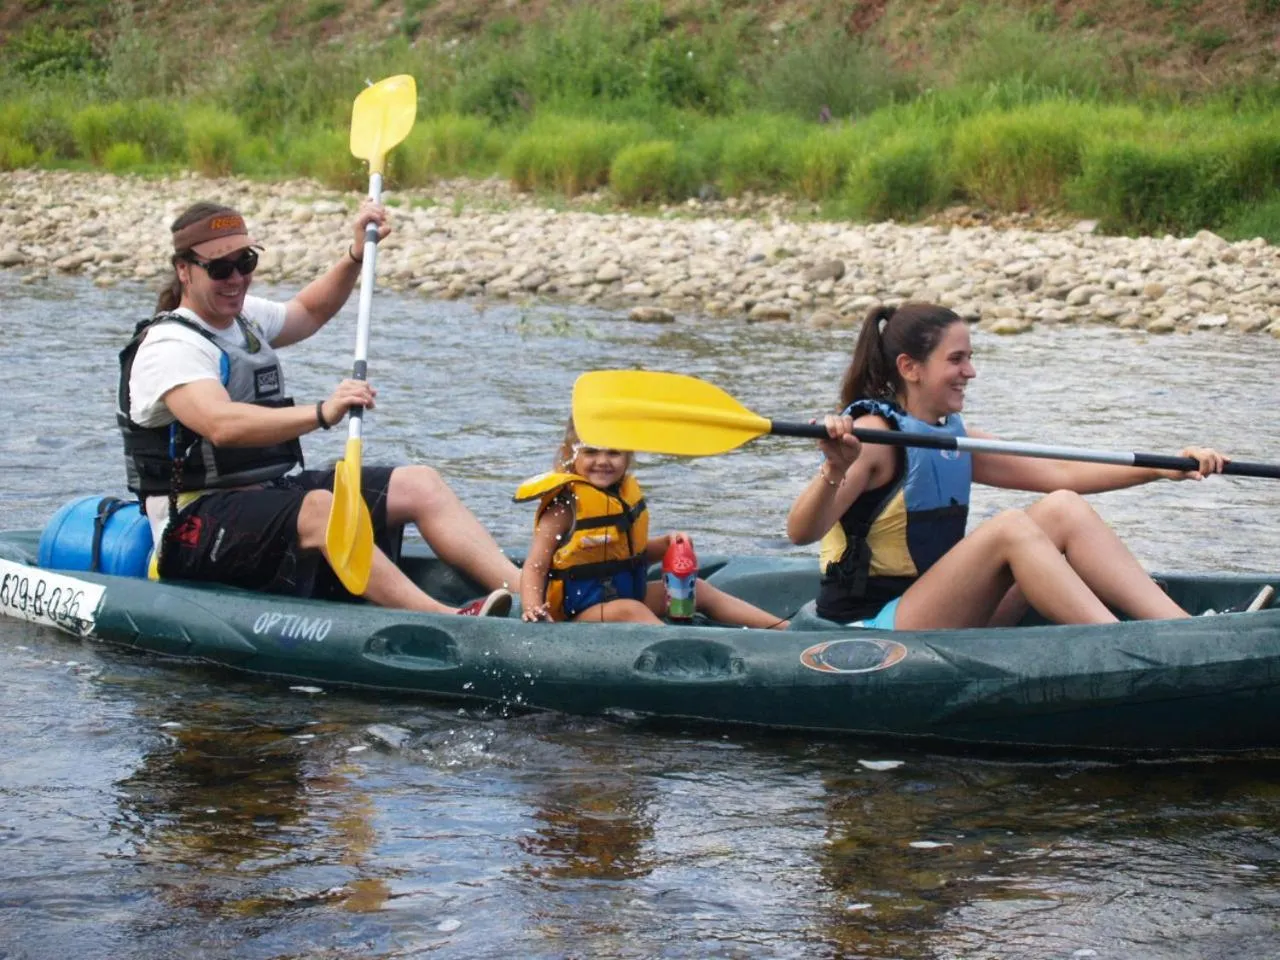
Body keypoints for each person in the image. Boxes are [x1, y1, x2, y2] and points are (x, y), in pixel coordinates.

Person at [117, 199, 518, 616]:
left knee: (419, 483)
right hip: (193, 525)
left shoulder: (244, 318)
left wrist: (355, 256)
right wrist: (322, 412)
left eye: (246, 261)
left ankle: (533, 594)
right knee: (324, 508)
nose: (236, 278)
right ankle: (449, 620)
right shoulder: (171, 346)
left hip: (268, 496)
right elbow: (221, 425)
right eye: (220, 268)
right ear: (185, 270)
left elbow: (309, 311)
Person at [786, 301, 1232, 630]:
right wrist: (836, 469)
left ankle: (1186, 630)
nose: (971, 371)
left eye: (970, 357)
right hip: (871, 627)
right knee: (1009, 527)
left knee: (1062, 506)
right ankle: (1119, 642)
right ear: (910, 367)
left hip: (940, 607)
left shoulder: (953, 438)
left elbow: (1061, 474)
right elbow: (800, 531)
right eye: (956, 359)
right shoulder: (872, 438)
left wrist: (1163, 468)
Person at [516, 419, 788, 628]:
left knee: (700, 589)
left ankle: (785, 631)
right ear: (572, 454)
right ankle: (681, 653)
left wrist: (668, 544)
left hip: (620, 599)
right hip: (578, 611)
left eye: (613, 453)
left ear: (628, 456)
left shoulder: (620, 495)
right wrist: (532, 608)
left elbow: (628, 557)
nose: (602, 461)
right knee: (631, 610)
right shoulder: (564, 506)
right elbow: (535, 565)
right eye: (590, 452)